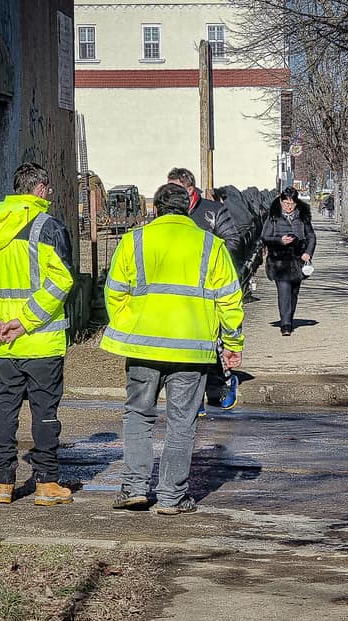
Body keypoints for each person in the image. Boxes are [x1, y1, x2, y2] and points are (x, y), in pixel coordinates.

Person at [101, 183, 245, 515]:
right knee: (182, 421)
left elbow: (114, 291)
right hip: (191, 350)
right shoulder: (210, 245)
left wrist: (131, 323)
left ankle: (135, 488)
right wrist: (233, 345)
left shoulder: (134, 240)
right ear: (188, 207)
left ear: (156, 209)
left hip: (144, 347)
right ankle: (171, 497)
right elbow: (230, 300)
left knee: (138, 414)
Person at [0, 162, 75, 506]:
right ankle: (46, 484)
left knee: (3, 409)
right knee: (45, 412)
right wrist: (24, 321)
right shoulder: (47, 228)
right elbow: (61, 281)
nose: (49, 195)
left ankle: (2, 484)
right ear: (38, 189)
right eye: (48, 190)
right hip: (41, 340)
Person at [166, 168, 240, 416]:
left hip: (209, 287)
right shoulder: (166, 213)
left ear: (190, 189)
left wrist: (209, 261)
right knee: (186, 346)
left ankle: (221, 386)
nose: (171, 195)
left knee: (213, 342)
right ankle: (192, 397)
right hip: (178, 291)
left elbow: (233, 240)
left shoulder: (212, 211)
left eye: (176, 189)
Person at [262, 187, 315, 336]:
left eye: (292, 204)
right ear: (281, 201)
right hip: (279, 260)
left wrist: (308, 253)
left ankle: (289, 318)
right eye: (286, 203)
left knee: (293, 293)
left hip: (298, 260)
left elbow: (311, 237)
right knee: (284, 290)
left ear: (296, 203)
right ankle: (285, 324)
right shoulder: (273, 216)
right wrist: (280, 240)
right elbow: (264, 237)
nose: (289, 207)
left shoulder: (303, 216)